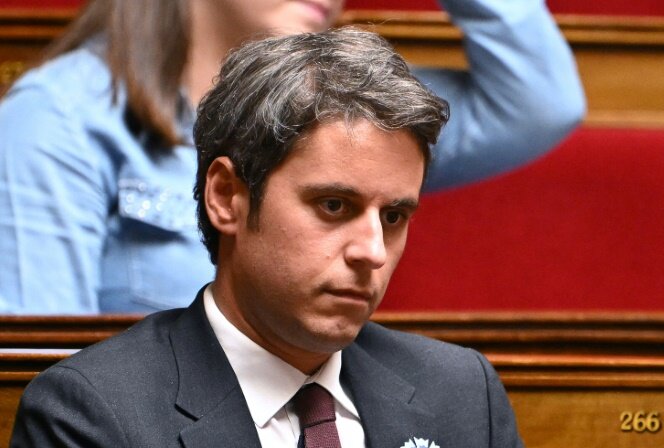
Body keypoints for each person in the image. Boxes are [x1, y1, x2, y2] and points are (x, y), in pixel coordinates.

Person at [10, 28, 540, 448]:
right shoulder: (94, 415)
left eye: (394, 216)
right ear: (227, 197)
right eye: (334, 205)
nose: (373, 251)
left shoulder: (461, 395)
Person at [0, 0, 584, 314]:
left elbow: (539, 104)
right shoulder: (58, 116)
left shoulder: (352, 114)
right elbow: (38, 377)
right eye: (331, 203)